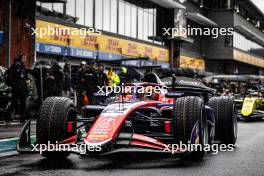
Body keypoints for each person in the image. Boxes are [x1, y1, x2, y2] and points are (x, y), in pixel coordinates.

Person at [6, 54, 29, 123]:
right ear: (20, 58)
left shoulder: (23, 66)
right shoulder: (14, 66)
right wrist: (14, 84)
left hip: (22, 87)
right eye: (24, 57)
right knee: (14, 102)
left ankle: (22, 119)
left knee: (22, 103)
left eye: (25, 57)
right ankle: (8, 117)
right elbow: (10, 77)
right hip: (17, 88)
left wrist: (27, 81)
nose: (25, 58)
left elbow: (25, 77)